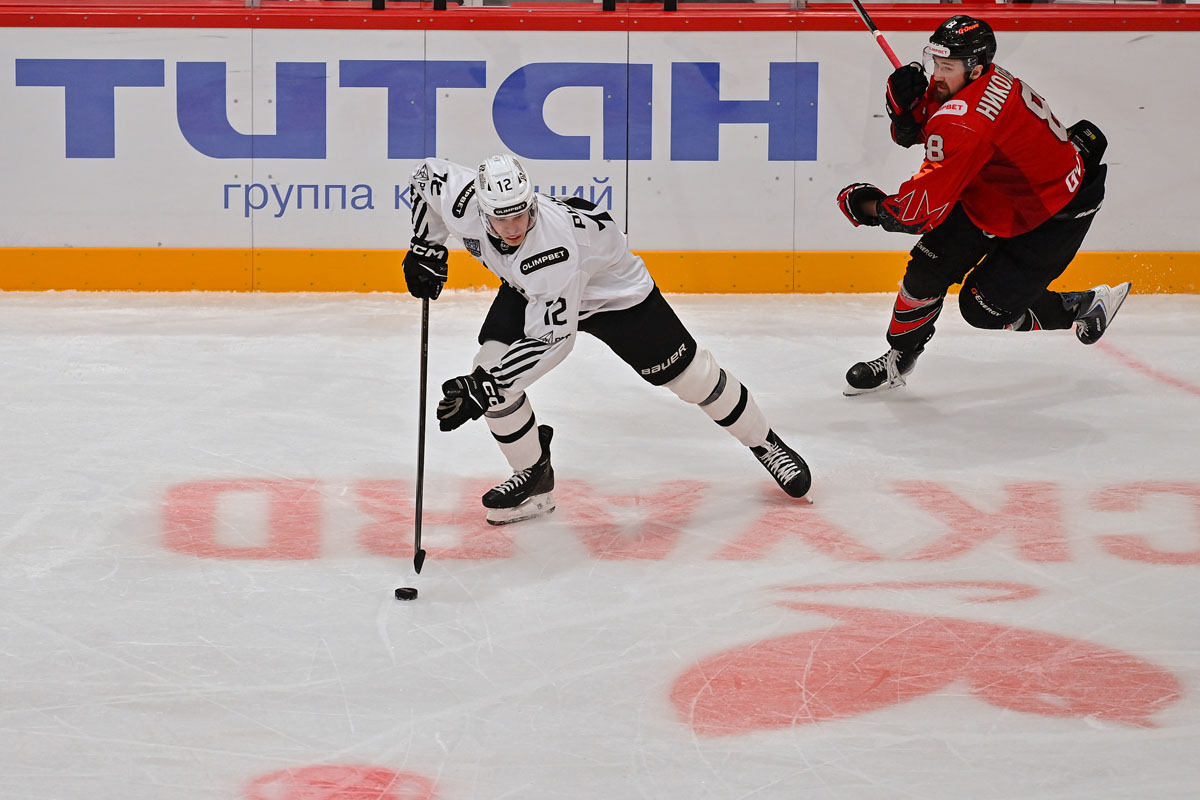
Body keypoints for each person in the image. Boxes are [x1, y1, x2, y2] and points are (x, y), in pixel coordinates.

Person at [403, 154, 811, 524]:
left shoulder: (551, 247)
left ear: (532, 204)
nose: (513, 228)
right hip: (533, 289)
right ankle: (534, 476)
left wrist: (486, 388)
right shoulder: (463, 200)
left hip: (614, 297)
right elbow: (425, 177)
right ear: (480, 209)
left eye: (522, 214)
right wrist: (425, 246)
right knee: (488, 368)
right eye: (501, 218)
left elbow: (553, 341)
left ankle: (765, 443)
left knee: (693, 378)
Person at [835, 14, 1130, 395]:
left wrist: (866, 205)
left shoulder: (966, 122)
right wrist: (907, 116)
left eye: (947, 67)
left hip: (1055, 211)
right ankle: (900, 357)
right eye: (935, 63)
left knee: (983, 309)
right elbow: (936, 127)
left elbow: (915, 214)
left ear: (974, 68)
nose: (937, 75)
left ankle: (1082, 306)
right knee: (925, 272)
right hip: (1002, 194)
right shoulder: (977, 80)